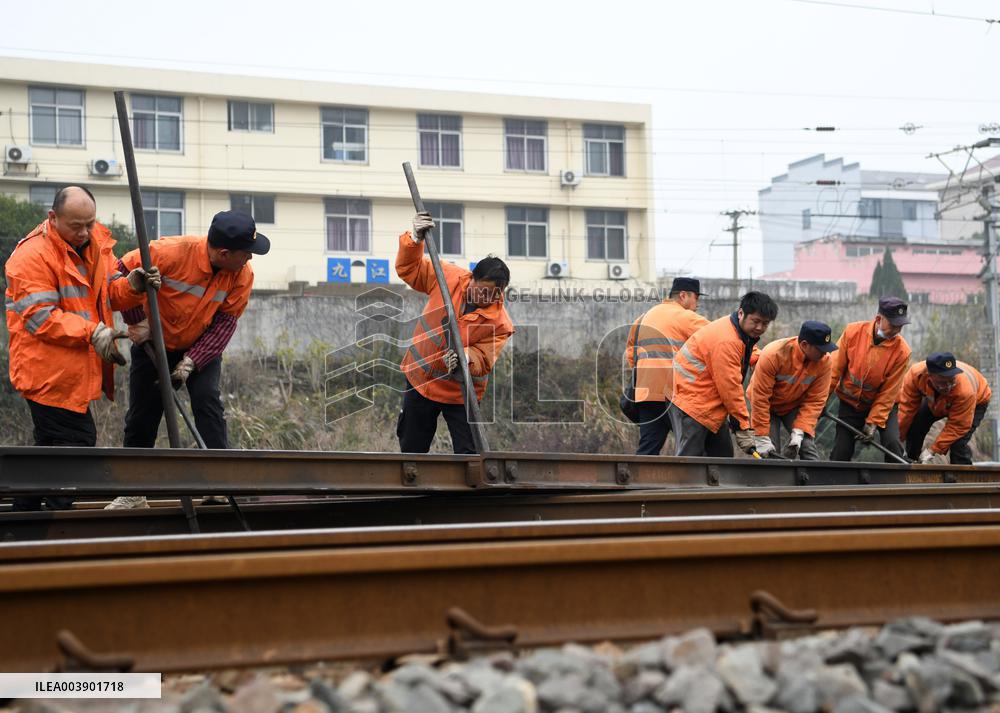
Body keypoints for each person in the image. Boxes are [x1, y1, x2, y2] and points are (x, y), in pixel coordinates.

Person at [4, 186, 159, 511]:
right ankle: (54, 519)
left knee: (50, 449)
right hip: (47, 374)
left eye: (90, 222)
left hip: (73, 371)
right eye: (76, 225)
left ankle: (25, 521)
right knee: (76, 444)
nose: (85, 231)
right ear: (53, 218)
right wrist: (94, 333)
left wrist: (132, 286)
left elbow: (105, 294)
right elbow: (41, 319)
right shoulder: (31, 257)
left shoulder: (96, 242)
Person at [110, 210, 269, 509]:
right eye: (246, 254)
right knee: (142, 415)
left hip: (200, 345)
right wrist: (136, 321)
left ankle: (217, 484)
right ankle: (132, 491)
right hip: (153, 342)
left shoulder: (241, 275)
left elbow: (225, 322)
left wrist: (191, 362)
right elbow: (118, 275)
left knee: (208, 401)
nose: (249, 259)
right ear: (224, 253)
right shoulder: (168, 252)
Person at [396, 211, 514, 454]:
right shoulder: (447, 277)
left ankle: (465, 492)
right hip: (421, 381)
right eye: (477, 289)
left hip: (460, 394)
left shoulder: (500, 324)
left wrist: (466, 357)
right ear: (472, 277)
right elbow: (410, 269)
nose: (479, 297)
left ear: (498, 293)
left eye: (487, 295)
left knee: (470, 455)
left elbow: (485, 358)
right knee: (411, 449)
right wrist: (415, 239)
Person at [670, 291, 778, 457]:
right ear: (741, 313)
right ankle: (682, 483)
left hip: (710, 402)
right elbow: (730, 388)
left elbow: (741, 355)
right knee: (689, 459)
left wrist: (764, 359)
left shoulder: (738, 332)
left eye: (765, 324)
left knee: (722, 456)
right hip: (690, 401)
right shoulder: (726, 341)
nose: (759, 328)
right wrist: (743, 427)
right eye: (755, 321)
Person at [624, 277, 710, 455]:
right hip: (676, 395)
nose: (697, 304)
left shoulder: (643, 318)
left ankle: (639, 480)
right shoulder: (686, 317)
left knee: (648, 447)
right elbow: (721, 339)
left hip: (646, 393)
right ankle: (694, 481)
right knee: (694, 447)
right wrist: (756, 356)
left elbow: (631, 355)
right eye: (696, 298)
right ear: (684, 296)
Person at [828, 296, 911, 462]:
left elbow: (889, 392)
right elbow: (833, 371)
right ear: (879, 319)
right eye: (893, 325)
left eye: (900, 327)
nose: (896, 331)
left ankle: (895, 484)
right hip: (850, 404)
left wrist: (873, 422)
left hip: (884, 406)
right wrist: (820, 400)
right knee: (841, 450)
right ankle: (835, 484)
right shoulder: (853, 332)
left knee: (893, 444)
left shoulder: (902, 351)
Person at [747, 321, 837, 460]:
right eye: (820, 349)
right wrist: (761, 435)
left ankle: (817, 479)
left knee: (807, 447)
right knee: (770, 453)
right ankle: (771, 479)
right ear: (804, 345)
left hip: (792, 406)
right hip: (766, 407)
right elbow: (760, 398)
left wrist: (799, 431)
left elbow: (816, 400)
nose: (825, 353)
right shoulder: (774, 354)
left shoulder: (825, 361)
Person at [898, 352, 991, 465]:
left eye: (951, 380)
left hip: (976, 401)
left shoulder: (965, 391)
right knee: (916, 426)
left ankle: (963, 476)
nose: (948, 386)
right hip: (936, 402)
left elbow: (958, 427)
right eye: (942, 381)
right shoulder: (916, 375)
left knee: (958, 443)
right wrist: (898, 439)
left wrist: (932, 450)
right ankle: (912, 461)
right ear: (929, 375)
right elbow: (906, 409)